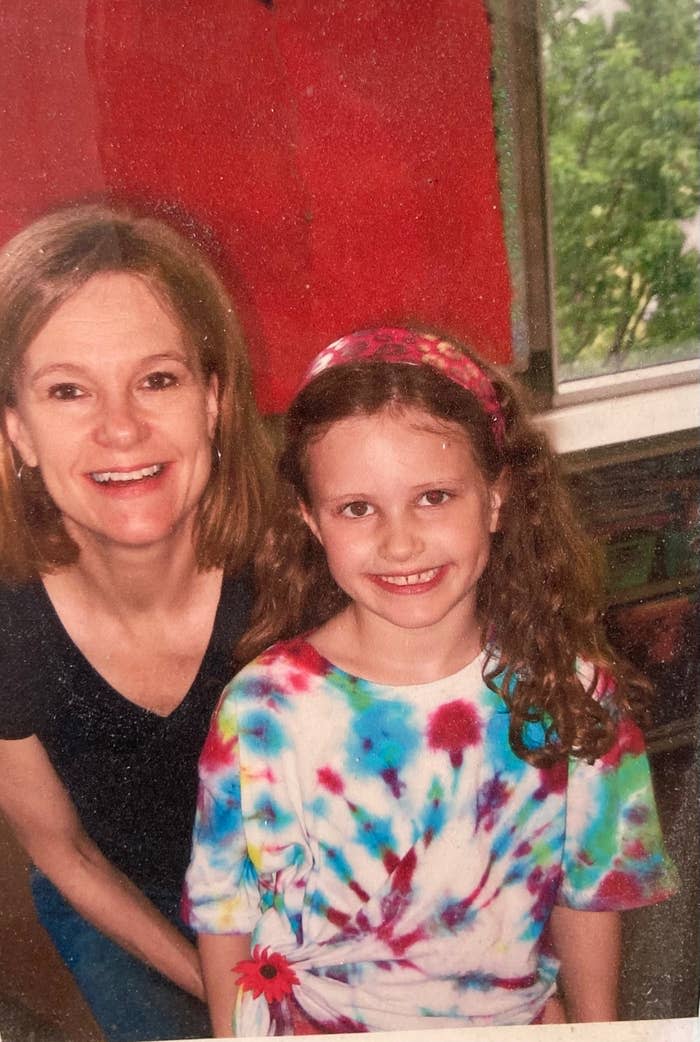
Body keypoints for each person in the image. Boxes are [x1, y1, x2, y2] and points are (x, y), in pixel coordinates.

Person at [184, 327, 678, 1036]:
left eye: (435, 497)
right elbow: (224, 909)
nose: (400, 541)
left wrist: (593, 1031)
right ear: (312, 521)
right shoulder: (265, 708)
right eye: (358, 508)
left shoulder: (574, 701)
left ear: (498, 497)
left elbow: (588, 896)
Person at [0, 203, 272, 1041]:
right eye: (68, 390)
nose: (121, 428)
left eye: (158, 379)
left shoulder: (300, 577)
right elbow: (63, 855)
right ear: (18, 431)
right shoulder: (9, 626)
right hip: (121, 897)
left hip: (289, 886)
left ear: (214, 401)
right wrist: (220, 991)